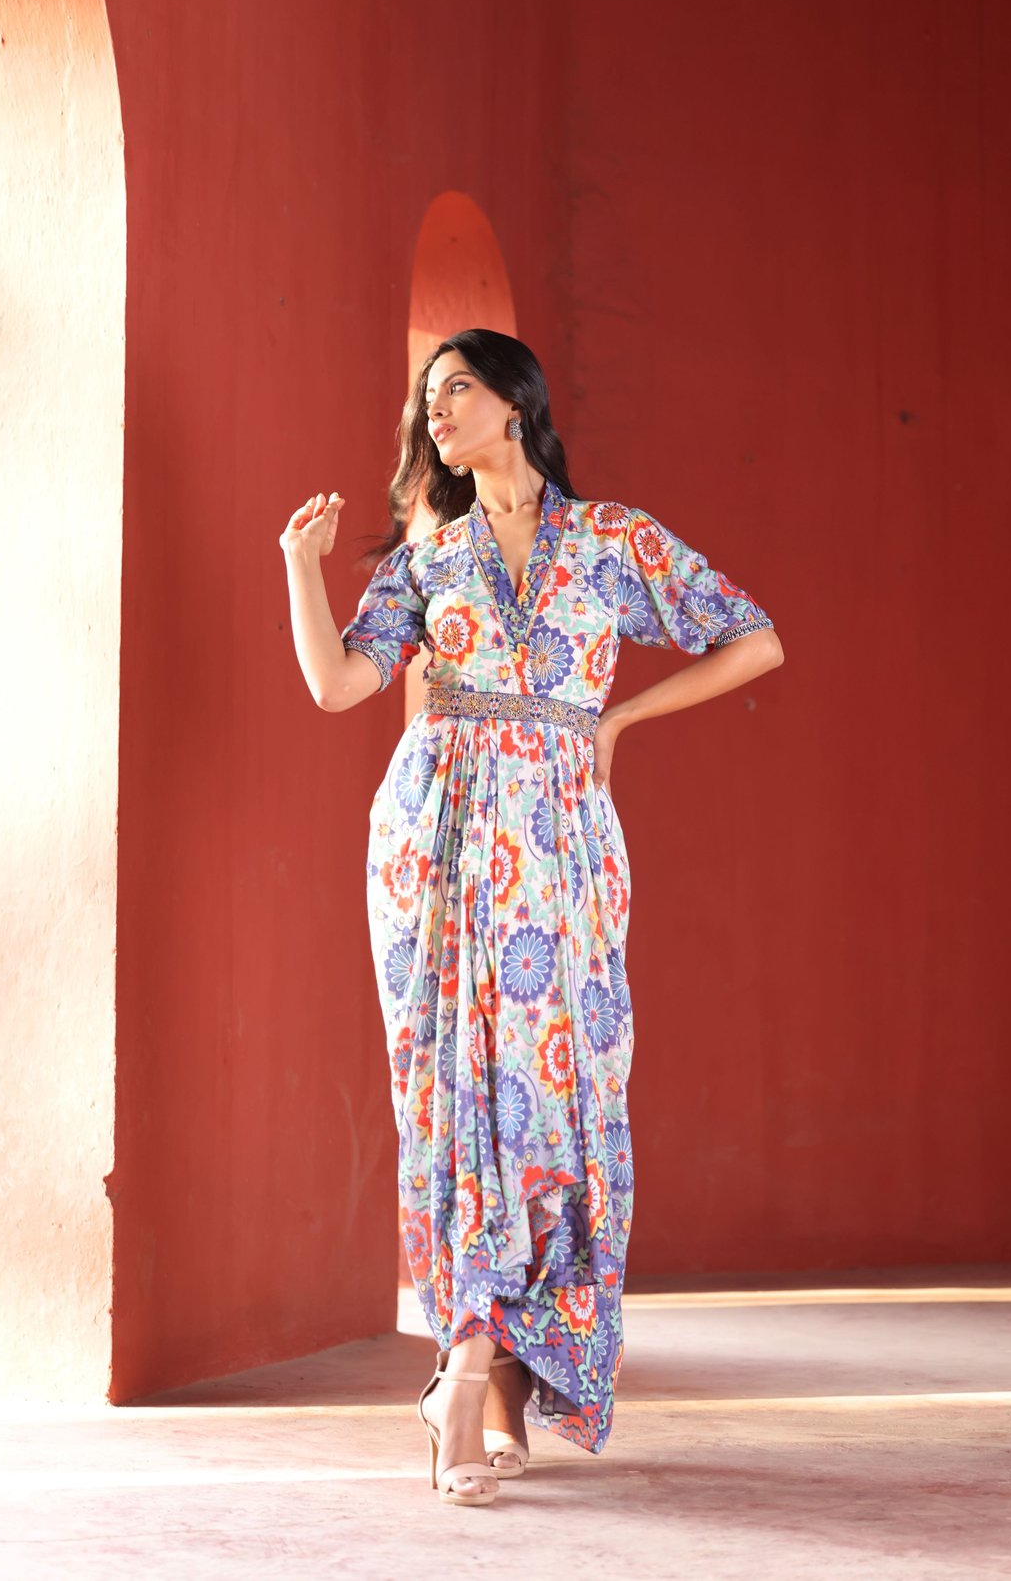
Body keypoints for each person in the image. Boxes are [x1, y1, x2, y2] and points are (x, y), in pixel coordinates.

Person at [279, 328, 784, 1507]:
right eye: (428, 396)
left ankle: (499, 1381)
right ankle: (465, 1377)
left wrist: (615, 722)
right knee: (458, 1099)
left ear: (516, 402)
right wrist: (301, 567)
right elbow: (337, 686)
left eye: (458, 388)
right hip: (440, 842)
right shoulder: (430, 560)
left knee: (553, 1100)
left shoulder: (613, 541)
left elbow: (754, 638)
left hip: (560, 850)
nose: (437, 410)